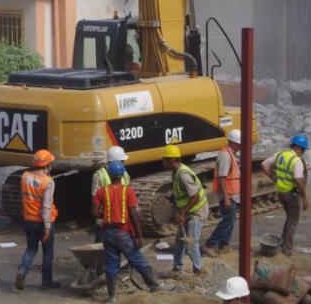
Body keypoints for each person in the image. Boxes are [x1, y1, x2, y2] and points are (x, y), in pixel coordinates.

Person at [93, 161, 160, 303]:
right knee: (137, 259)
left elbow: (94, 212)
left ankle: (112, 297)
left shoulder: (101, 191)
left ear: (109, 175)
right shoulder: (127, 191)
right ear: (122, 174)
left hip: (108, 233)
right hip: (122, 233)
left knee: (111, 264)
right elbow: (134, 214)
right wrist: (139, 236)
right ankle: (154, 286)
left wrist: (103, 217)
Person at [15, 149, 60, 291]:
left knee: (31, 248)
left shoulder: (25, 176)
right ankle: (47, 282)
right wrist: (47, 226)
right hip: (43, 222)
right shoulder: (48, 182)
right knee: (48, 252)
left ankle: (22, 270)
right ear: (47, 165)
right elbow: (46, 206)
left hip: (29, 220)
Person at [162, 144, 209, 276]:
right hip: (189, 211)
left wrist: (182, 214)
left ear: (172, 160)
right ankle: (177, 267)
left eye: (165, 159)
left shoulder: (184, 175)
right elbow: (181, 192)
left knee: (191, 243)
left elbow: (195, 196)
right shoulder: (176, 172)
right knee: (180, 240)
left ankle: (198, 269)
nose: (163, 162)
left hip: (197, 212)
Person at [261, 134, 310, 256]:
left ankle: (283, 242)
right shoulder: (296, 160)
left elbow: (264, 165)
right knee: (293, 220)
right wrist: (304, 198)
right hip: (291, 194)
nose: (302, 153)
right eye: (303, 150)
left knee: (290, 218)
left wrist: (274, 178)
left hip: (281, 192)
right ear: (299, 148)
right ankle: (287, 248)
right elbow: (298, 180)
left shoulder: (280, 154)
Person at [203, 129, 242, 256]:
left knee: (230, 221)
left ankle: (224, 244)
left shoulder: (231, 154)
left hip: (233, 194)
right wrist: (225, 197)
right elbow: (222, 177)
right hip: (228, 195)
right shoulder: (225, 155)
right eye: (240, 143)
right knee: (227, 221)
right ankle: (210, 244)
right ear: (234, 143)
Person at [91, 146, 131, 242]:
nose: (123, 164)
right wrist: (98, 218)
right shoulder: (99, 175)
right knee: (102, 246)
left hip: (121, 219)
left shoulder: (124, 173)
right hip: (105, 219)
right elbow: (95, 200)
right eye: (122, 161)